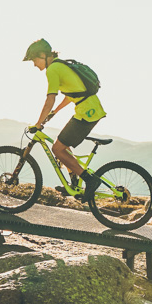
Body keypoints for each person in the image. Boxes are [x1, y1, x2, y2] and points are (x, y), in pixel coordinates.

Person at [23, 39, 106, 190]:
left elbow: (50, 98)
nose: (34, 64)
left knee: (57, 149)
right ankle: (74, 183)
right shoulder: (60, 65)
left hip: (87, 113)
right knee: (62, 144)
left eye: (34, 60)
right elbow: (71, 94)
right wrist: (55, 112)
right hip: (90, 110)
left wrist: (38, 123)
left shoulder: (53, 69)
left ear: (42, 55)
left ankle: (90, 180)